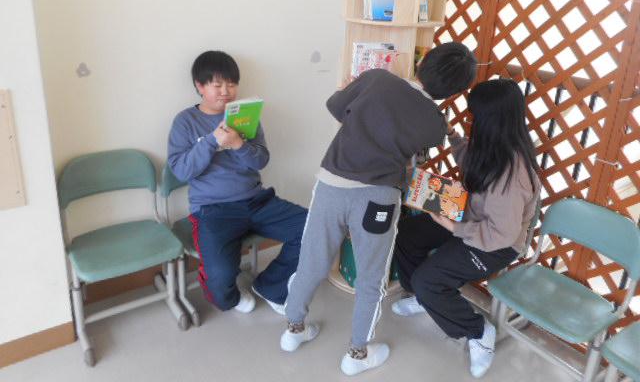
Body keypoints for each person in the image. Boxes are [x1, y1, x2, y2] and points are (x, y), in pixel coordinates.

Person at [281, 42, 477, 376]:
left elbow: (335, 107)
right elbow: (414, 150)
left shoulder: (376, 79)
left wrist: (353, 95)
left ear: (423, 62)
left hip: (332, 185)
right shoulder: (435, 123)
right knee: (371, 279)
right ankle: (357, 354)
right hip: (379, 199)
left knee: (312, 261)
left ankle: (293, 330)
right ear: (454, 91)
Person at [392, 78, 541, 378]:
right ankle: (424, 297)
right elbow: (471, 160)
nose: (471, 121)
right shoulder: (494, 144)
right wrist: (452, 135)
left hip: (497, 244)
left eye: (475, 117)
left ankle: (477, 332)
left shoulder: (513, 176)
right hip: (469, 216)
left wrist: (454, 227)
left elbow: (502, 235)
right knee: (407, 234)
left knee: (429, 281)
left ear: (491, 121)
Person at [168, 50, 307, 315]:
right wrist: (212, 141)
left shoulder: (246, 115)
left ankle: (270, 286)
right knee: (221, 284)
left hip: (257, 201)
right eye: (217, 85)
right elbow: (182, 171)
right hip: (213, 210)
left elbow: (261, 161)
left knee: (314, 230)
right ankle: (229, 296)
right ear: (200, 86)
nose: (226, 92)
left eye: (231, 84)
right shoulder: (185, 122)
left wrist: (238, 144)